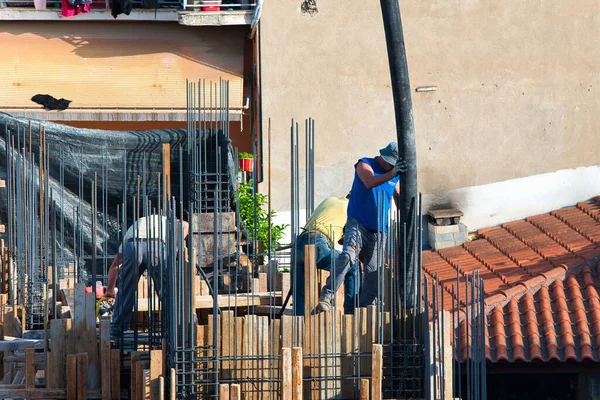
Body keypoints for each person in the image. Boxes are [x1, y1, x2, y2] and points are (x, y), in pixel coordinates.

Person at [316, 142, 406, 312]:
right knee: (348, 256)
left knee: (374, 271)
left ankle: (366, 307)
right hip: (358, 224)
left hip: (380, 230)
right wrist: (393, 173)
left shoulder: (394, 175)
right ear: (383, 158)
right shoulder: (364, 164)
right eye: (390, 165)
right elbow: (369, 182)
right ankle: (327, 295)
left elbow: (398, 195)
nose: (391, 168)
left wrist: (406, 203)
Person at [105, 214, 189, 337]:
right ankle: (170, 329)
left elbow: (114, 267)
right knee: (165, 290)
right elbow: (185, 225)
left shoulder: (132, 230)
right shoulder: (167, 221)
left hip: (132, 246)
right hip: (156, 246)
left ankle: (118, 328)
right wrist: (175, 246)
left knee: (126, 288)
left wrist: (110, 290)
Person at [293, 194, 359, 315]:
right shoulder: (353, 209)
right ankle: (351, 313)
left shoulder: (330, 200)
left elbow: (337, 231)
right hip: (318, 243)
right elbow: (348, 240)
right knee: (352, 264)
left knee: (300, 294)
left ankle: (299, 327)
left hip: (298, 244)